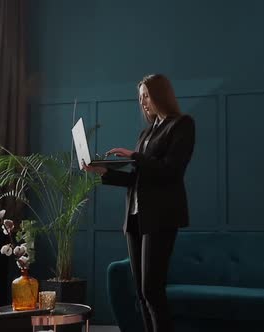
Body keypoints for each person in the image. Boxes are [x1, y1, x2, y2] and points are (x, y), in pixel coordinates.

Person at [83, 74, 195, 332]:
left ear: (160, 95)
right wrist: (103, 172)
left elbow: (171, 170)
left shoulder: (182, 125)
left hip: (161, 217)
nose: (143, 101)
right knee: (141, 293)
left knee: (152, 290)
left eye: (146, 95)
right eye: (140, 97)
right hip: (135, 217)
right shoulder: (147, 132)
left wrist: (134, 155)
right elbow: (137, 178)